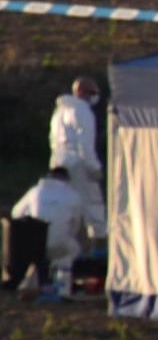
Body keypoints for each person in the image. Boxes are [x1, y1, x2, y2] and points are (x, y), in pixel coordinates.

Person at [8, 167, 85, 295]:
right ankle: (62, 286)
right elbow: (76, 226)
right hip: (59, 243)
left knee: (43, 254)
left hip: (33, 244)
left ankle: (40, 280)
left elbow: (16, 213)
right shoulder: (74, 195)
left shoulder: (35, 191)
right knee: (72, 250)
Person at [49, 76, 107, 240]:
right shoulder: (82, 110)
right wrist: (94, 168)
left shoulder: (59, 112)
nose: (95, 96)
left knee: (64, 203)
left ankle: (64, 238)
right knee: (92, 200)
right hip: (77, 162)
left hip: (57, 160)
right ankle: (99, 239)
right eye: (92, 92)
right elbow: (85, 143)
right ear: (81, 92)